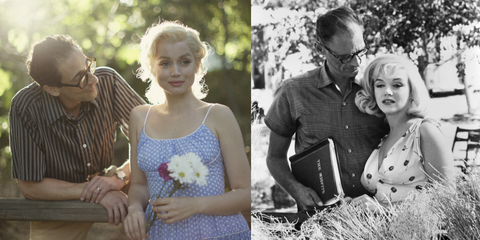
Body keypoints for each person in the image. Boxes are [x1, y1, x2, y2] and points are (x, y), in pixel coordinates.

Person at [123, 21, 251, 240]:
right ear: (151, 67)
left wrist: (195, 205)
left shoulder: (218, 115)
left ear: (197, 65)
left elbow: (247, 194)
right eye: (165, 63)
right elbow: (139, 184)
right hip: (159, 233)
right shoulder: (139, 117)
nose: (175, 72)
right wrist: (134, 207)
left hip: (218, 233)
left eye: (184, 62)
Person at [9, 35, 145, 240]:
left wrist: (119, 178)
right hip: (58, 200)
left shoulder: (108, 80)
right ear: (53, 89)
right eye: (80, 77)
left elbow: (153, 136)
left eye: (88, 66)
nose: (93, 79)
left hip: (111, 178)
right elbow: (30, 187)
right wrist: (98, 192)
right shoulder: (26, 106)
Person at [264, 6, 389, 212]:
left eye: (361, 51)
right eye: (345, 57)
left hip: (375, 216)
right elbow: (274, 157)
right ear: (320, 48)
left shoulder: (378, 88)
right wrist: (296, 190)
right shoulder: (293, 92)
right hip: (320, 220)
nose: (357, 62)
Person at [350, 54, 454, 210]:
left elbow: (448, 201)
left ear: (412, 91)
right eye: (380, 85)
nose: (387, 92)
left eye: (397, 85)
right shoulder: (384, 137)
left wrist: (381, 209)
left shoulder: (425, 131)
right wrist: (356, 205)